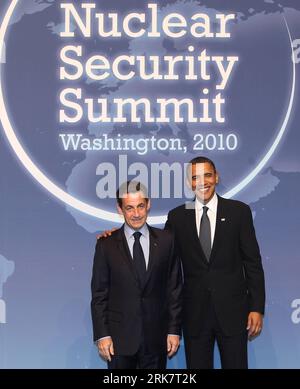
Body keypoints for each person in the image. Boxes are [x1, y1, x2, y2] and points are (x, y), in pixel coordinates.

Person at [165, 156, 265, 369]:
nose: (202, 182)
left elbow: (253, 263)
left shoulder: (239, 212)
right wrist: (118, 236)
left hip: (234, 313)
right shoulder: (177, 217)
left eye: (207, 175)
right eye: (195, 177)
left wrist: (257, 307)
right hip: (194, 315)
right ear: (189, 183)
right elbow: (160, 252)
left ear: (217, 177)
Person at [91, 181, 182, 369]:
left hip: (156, 339)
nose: (136, 214)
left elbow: (174, 289)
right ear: (120, 209)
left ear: (149, 204)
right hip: (118, 341)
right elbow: (99, 294)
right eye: (129, 208)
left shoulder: (167, 241)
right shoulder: (105, 245)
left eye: (141, 206)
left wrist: (174, 330)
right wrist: (102, 335)